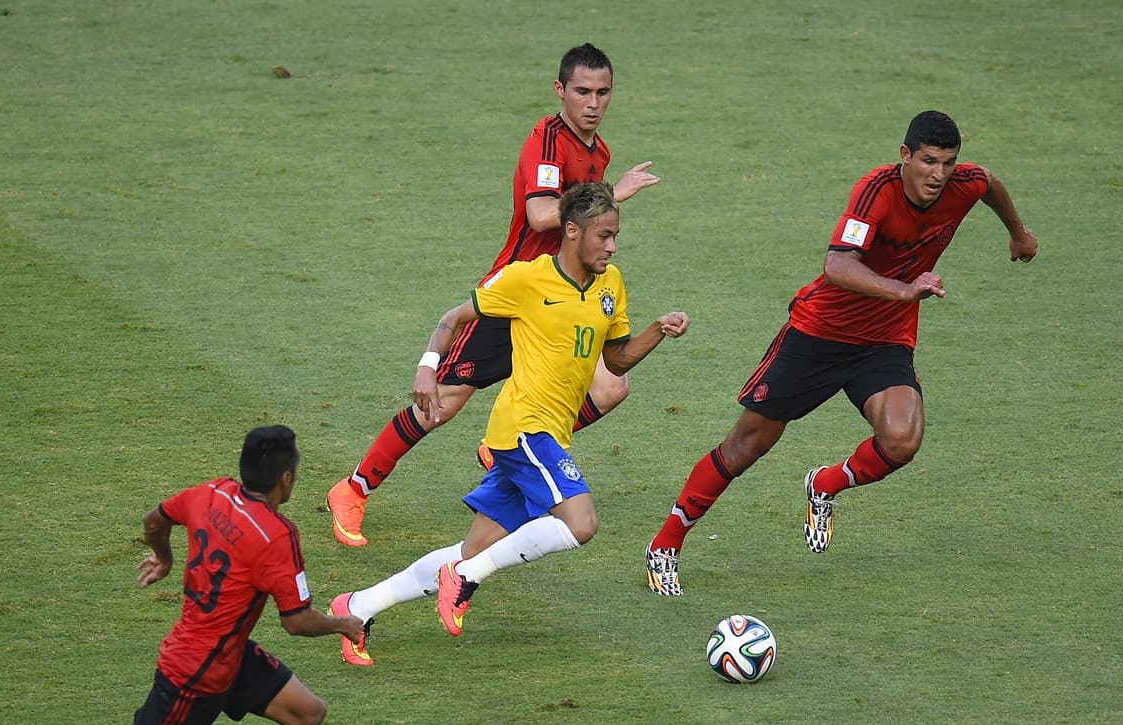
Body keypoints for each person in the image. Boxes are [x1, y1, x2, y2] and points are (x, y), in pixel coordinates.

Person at [643, 110, 1039, 597]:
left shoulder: (964, 182)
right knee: (746, 445)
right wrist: (904, 290)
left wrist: (1018, 231)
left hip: (884, 341)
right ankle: (665, 543)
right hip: (820, 334)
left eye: (948, 163)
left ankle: (825, 484)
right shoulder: (876, 192)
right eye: (929, 161)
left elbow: (989, 183)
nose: (939, 174)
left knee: (902, 440)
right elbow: (837, 265)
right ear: (905, 156)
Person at [0, 426, 367, 725]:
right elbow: (296, 621)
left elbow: (154, 520)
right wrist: (341, 623)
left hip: (227, 655)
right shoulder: (276, 535)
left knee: (307, 714)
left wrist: (164, 558)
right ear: (286, 478)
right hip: (196, 676)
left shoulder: (211, 493)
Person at [329, 182, 688, 665]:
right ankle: (468, 578)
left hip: (551, 433)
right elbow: (453, 317)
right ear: (572, 231)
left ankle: (357, 607)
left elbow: (616, 360)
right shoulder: (527, 279)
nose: (612, 247)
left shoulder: (611, 285)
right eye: (603, 236)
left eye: (615, 236)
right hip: (523, 429)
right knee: (581, 524)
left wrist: (657, 331)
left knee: (471, 550)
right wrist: (427, 366)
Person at [326, 42, 661, 548]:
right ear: (560, 90)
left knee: (612, 386)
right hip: (514, 296)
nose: (593, 103)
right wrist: (616, 193)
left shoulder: (600, 152)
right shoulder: (547, 142)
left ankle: (504, 450)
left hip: (563, 301)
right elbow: (541, 215)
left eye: (602, 92)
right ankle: (353, 488)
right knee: (441, 404)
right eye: (582, 91)